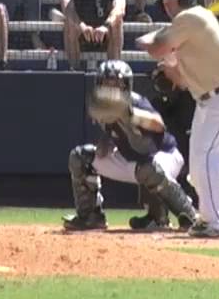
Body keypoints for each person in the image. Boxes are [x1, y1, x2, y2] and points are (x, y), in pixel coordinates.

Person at [138, 0, 219, 239]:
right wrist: (168, 58)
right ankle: (209, 217)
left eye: (169, 1)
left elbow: (157, 47)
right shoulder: (189, 27)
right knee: (198, 164)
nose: (166, 6)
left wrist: (148, 42)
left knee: (210, 159)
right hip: (207, 102)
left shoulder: (191, 17)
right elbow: (178, 79)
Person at [62, 60, 199, 232]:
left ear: (126, 86)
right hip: (132, 160)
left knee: (148, 169)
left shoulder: (136, 102)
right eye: (106, 84)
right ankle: (90, 216)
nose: (111, 90)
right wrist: (104, 146)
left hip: (163, 155)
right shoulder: (103, 108)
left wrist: (129, 115)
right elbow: (112, 136)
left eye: (116, 84)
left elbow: (158, 125)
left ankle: (190, 215)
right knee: (80, 157)